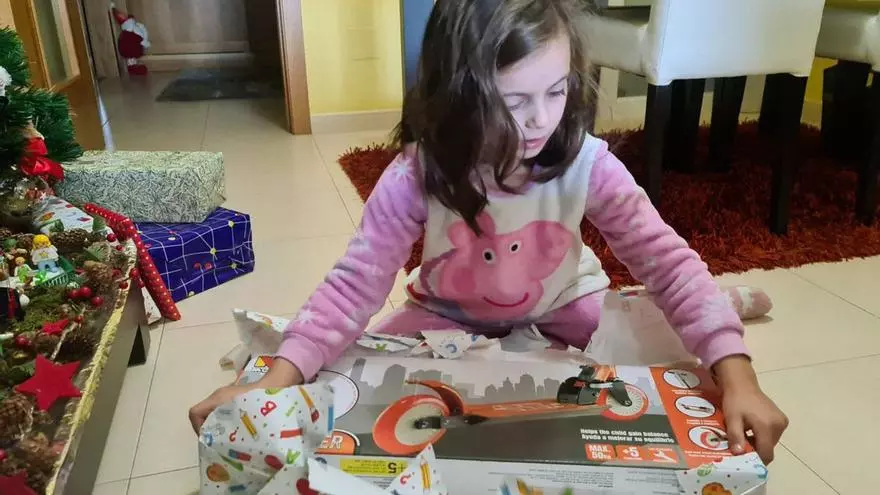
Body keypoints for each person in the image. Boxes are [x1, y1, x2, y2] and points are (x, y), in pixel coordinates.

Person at [190, 0, 787, 464]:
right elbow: (353, 287)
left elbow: (668, 263)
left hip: (563, 297)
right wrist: (276, 380)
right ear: (457, 93)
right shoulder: (416, 174)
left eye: (556, 91)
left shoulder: (588, 163)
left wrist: (737, 373)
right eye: (513, 100)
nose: (540, 119)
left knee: (654, 344)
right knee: (355, 367)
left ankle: (723, 306)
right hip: (447, 310)